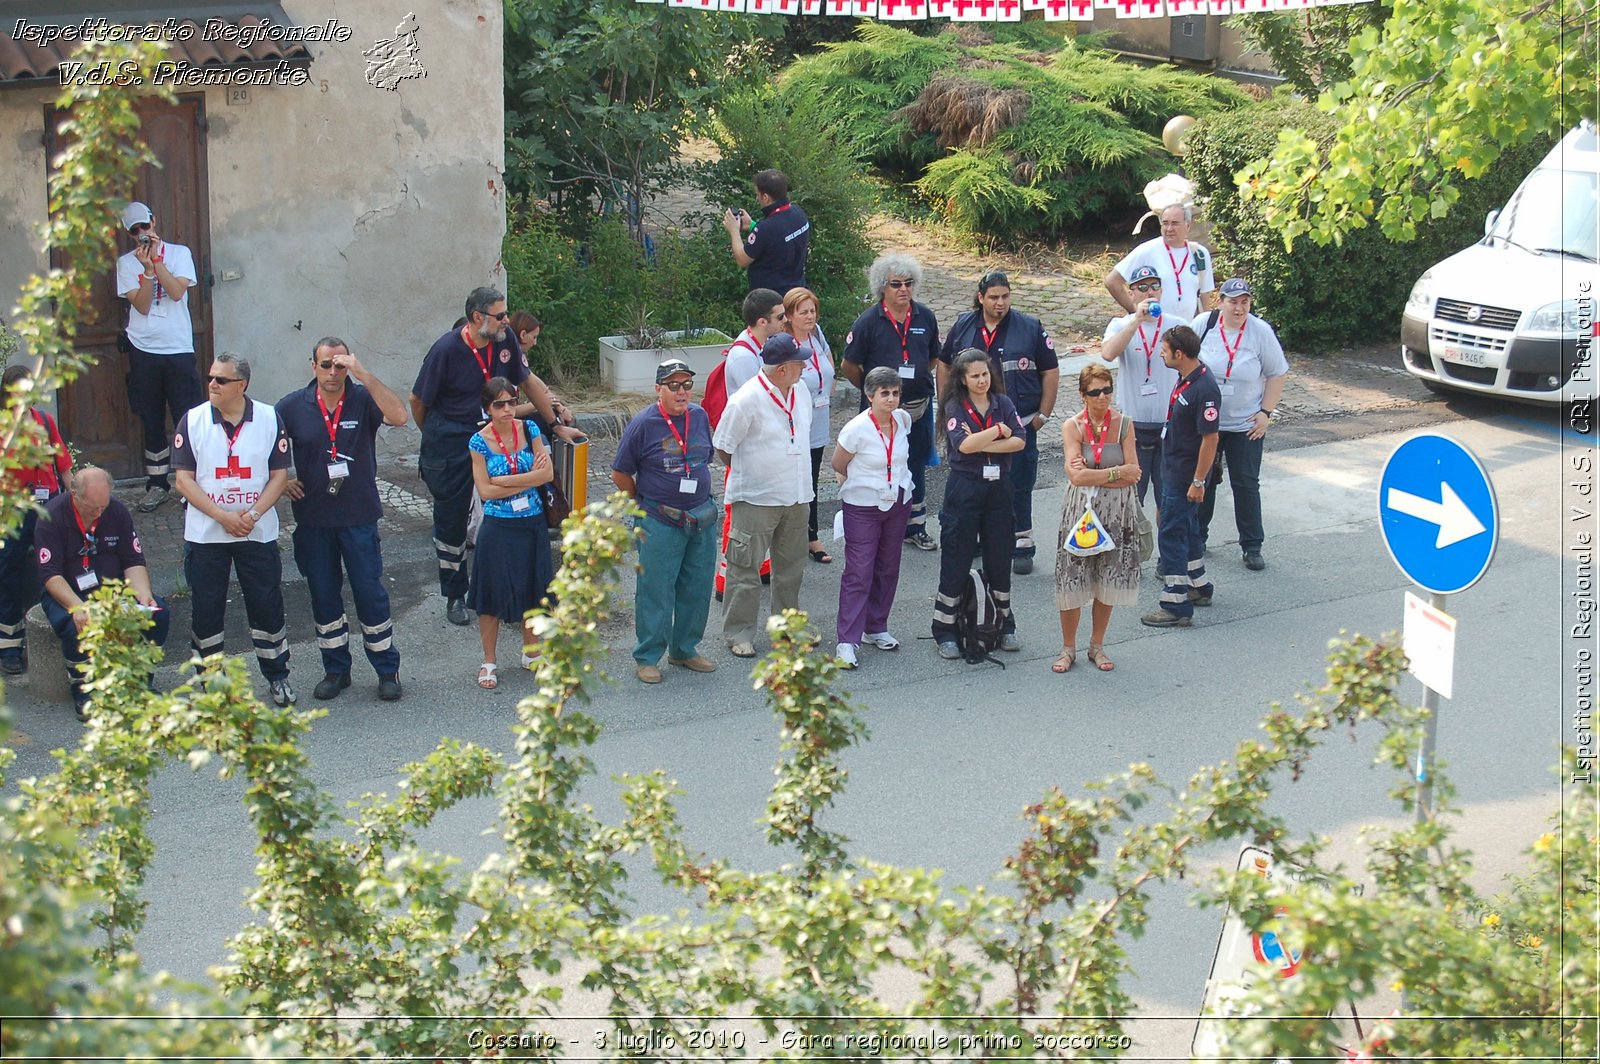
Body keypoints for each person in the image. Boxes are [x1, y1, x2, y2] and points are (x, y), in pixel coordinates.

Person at [276, 338, 408, 703]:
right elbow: (265, 447)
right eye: (325, 365)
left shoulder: (363, 398)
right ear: (312, 365)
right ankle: (336, 669)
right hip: (314, 519)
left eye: (340, 365)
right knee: (323, 595)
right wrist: (281, 480)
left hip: (358, 516)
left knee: (370, 592)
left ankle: (386, 669)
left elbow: (399, 416)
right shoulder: (292, 406)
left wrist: (364, 373)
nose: (333, 373)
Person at [172, 354, 296, 704]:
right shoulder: (193, 420)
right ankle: (210, 682)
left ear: (242, 385)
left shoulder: (270, 418)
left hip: (256, 533)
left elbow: (279, 476)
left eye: (221, 380)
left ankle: (277, 675)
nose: (212, 384)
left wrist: (252, 515)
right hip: (206, 534)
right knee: (207, 609)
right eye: (211, 378)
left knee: (266, 605)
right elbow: (183, 481)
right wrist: (223, 517)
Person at [411, 287, 538, 627]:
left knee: (507, 506)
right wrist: (436, 436)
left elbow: (526, 380)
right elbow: (417, 401)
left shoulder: (505, 338)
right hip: (451, 436)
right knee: (451, 519)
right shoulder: (446, 350)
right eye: (500, 315)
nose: (506, 321)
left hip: (493, 434)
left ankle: (506, 589)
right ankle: (455, 594)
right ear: (477, 318)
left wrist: (554, 417)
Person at [938, 271, 1060, 574]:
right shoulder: (963, 327)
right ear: (981, 298)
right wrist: (946, 406)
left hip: (1017, 423)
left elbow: (1050, 370)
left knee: (1019, 480)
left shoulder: (1030, 327)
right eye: (994, 297)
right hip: (973, 427)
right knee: (976, 480)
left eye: (1005, 296)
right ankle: (980, 536)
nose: (1000, 303)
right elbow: (943, 364)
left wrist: (1043, 414)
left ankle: (1022, 539)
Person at [611, 359, 719, 684]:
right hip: (659, 519)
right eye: (673, 385)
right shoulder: (644, 423)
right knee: (655, 591)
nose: (682, 391)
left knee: (697, 587)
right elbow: (619, 472)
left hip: (701, 517)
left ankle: (684, 650)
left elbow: (704, 459)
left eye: (686, 384)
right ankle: (647, 656)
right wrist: (640, 506)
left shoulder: (699, 416)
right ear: (658, 389)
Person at [35, 466, 170, 721]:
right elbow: (50, 575)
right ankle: (84, 690)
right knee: (75, 623)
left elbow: (133, 559)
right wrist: (77, 606)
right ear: (75, 495)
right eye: (92, 508)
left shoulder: (116, 511)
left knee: (158, 614)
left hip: (112, 588)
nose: (99, 513)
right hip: (70, 590)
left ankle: (141, 681)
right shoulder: (51, 516)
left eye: (103, 507)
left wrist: (143, 595)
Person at [712, 333, 813, 659]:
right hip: (755, 499)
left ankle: (786, 629)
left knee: (791, 569)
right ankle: (739, 633)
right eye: (800, 361)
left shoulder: (801, 391)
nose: (805, 365)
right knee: (745, 569)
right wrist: (753, 471)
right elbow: (723, 447)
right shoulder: (746, 399)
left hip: (797, 496)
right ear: (782, 368)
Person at [842, 253, 940, 551]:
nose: (903, 290)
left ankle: (916, 525)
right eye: (896, 284)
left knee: (916, 464)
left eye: (909, 283)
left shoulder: (926, 317)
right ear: (882, 286)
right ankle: (879, 521)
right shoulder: (868, 322)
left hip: (918, 408)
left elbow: (934, 357)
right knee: (879, 463)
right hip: (880, 415)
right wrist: (873, 395)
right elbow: (849, 365)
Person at [931, 349, 1026, 658]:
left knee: (1000, 556)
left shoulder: (1004, 403)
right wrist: (999, 431)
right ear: (962, 378)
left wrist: (983, 438)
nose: (982, 380)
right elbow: (965, 445)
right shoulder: (955, 406)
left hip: (999, 487)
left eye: (985, 374)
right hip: (965, 487)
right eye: (975, 375)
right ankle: (945, 629)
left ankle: (1003, 624)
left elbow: (1020, 440)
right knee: (957, 555)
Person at [1052, 364, 1142, 674]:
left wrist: (1094, 475)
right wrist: (1115, 473)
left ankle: (1097, 645)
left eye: (1107, 390)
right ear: (1082, 395)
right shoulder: (1072, 427)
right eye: (1095, 392)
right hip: (1081, 512)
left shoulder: (1125, 425)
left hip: (1117, 511)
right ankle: (1068, 648)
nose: (1102, 397)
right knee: (1073, 578)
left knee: (1107, 578)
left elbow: (1135, 475)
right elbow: (1076, 477)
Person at [467, 377, 555, 690]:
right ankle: (489, 660)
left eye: (511, 401)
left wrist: (506, 481)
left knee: (534, 589)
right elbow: (485, 491)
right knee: (490, 594)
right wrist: (528, 479)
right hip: (498, 525)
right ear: (488, 408)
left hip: (532, 522)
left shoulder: (530, 429)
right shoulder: (478, 442)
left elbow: (548, 474)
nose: (507, 409)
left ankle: (531, 652)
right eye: (499, 404)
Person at [1196, 278, 1290, 572]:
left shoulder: (1260, 331)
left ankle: (1252, 545)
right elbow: (1184, 361)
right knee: (1204, 479)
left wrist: (1266, 412)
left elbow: (1278, 372)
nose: (1239, 308)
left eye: (1244, 302)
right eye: (1233, 301)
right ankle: (1198, 538)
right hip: (1208, 421)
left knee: (1246, 483)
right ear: (1221, 301)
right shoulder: (1204, 324)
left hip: (1245, 422)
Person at [116, 201, 202, 513]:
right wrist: (147, 272)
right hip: (143, 348)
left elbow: (178, 292)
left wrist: (158, 263)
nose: (143, 234)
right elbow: (140, 305)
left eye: (145, 227)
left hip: (178, 347)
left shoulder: (180, 254)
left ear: (154, 221)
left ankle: (189, 483)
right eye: (136, 231)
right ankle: (156, 485)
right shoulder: (127, 264)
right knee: (151, 416)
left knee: (186, 416)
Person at [831, 366, 914, 669]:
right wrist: (855, 488)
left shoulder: (902, 421)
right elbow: (839, 464)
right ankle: (847, 640)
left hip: (898, 502)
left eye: (895, 393)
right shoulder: (856, 429)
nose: (891, 399)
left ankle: (876, 625)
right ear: (870, 396)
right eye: (885, 394)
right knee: (859, 571)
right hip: (864, 507)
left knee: (888, 566)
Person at [1140, 326, 1220, 629]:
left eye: (1165, 349)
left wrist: (1199, 481)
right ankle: (1198, 586)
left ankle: (1176, 603)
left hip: (1185, 477)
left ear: (1179, 353)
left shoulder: (1204, 388)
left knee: (1171, 535)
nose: (1161, 353)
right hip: (1175, 471)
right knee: (1188, 530)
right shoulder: (1188, 379)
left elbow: (1210, 439)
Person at [713, 288, 787, 598]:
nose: (785, 322)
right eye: (780, 317)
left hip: (760, 446)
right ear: (762, 321)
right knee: (738, 515)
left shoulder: (758, 346)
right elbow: (754, 403)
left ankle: (762, 567)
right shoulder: (744, 356)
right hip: (746, 447)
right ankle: (725, 581)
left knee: (762, 508)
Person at [0, 364, 73, 675]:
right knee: (8, 571)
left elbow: (64, 465)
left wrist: (76, 497)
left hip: (48, 506)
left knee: (56, 567)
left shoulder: (44, 421)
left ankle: (61, 628)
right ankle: (9, 645)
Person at [1100, 265, 1185, 512]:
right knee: (1130, 501)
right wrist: (1136, 320)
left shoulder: (1177, 325)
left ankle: (1169, 550)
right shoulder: (1121, 324)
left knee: (1168, 501)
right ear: (1132, 293)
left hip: (1169, 425)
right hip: (1132, 427)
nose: (1150, 292)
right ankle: (1132, 549)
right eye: (1143, 287)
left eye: (1155, 286)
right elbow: (1107, 353)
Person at [785, 286, 836, 564]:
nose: (809, 316)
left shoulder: (817, 335)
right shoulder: (784, 343)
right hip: (795, 426)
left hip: (819, 420)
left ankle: (811, 534)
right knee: (794, 479)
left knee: (813, 478)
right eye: (803, 312)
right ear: (790, 315)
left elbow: (829, 366)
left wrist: (826, 392)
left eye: (812, 310)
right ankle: (790, 537)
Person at [1104, 204, 1216, 322]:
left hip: (1185, 332)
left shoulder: (1199, 254)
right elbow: (1112, 281)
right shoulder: (1147, 250)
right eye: (1165, 223)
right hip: (1154, 330)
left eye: (1175, 223)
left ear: (1187, 226)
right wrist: (1134, 311)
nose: (1169, 229)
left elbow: (1204, 297)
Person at [721, 168, 810, 294]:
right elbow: (778, 239)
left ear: (765, 197)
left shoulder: (766, 228)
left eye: (757, 194)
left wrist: (734, 230)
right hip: (796, 293)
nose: (757, 199)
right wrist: (751, 225)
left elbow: (742, 259)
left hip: (772, 300)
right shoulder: (798, 213)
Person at [509, 310, 582, 439]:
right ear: (523, 334)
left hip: (512, 418)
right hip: (505, 421)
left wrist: (558, 406)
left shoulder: (517, 359)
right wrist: (540, 403)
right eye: (534, 337)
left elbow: (534, 381)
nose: (535, 343)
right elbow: (508, 411)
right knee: (548, 423)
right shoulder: (508, 361)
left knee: (554, 415)